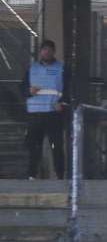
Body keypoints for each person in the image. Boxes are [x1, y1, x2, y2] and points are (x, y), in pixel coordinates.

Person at [23, 38, 66, 180]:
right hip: (35, 114)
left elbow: (68, 88)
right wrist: (29, 90)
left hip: (53, 114)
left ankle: (60, 175)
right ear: (40, 51)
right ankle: (31, 175)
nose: (46, 52)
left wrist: (62, 103)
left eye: (49, 50)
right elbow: (22, 88)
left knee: (56, 146)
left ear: (54, 52)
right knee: (34, 146)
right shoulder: (32, 68)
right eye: (44, 49)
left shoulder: (62, 69)